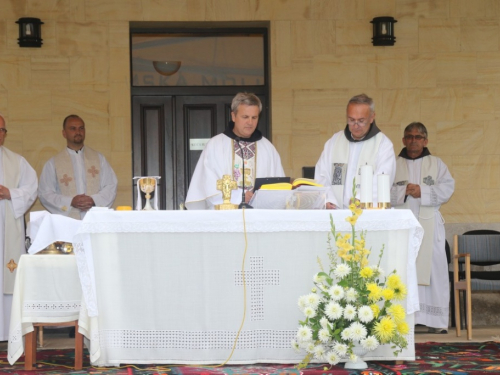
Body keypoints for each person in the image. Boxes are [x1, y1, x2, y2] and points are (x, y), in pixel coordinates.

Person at [391, 122, 455, 333]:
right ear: (403, 140)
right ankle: (403, 319)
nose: (413, 141)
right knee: (401, 268)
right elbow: (380, 190)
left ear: (425, 141)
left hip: (429, 226)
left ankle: (435, 321)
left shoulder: (436, 164)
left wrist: (423, 191)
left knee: (434, 268)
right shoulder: (392, 163)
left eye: (418, 137)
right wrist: (403, 193)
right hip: (400, 225)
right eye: (409, 137)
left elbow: (447, 188)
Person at [185, 92, 285, 210]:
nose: (250, 122)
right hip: (224, 219)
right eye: (245, 117)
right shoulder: (216, 145)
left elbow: (279, 187)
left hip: (260, 218)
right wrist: (240, 197)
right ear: (233, 116)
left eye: (254, 117)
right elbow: (208, 186)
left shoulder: (268, 148)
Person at [314, 93, 396, 208]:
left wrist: (362, 198)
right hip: (336, 212)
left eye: (361, 121)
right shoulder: (334, 142)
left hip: (365, 214)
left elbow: (383, 177)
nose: (356, 126)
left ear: (372, 117)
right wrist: (328, 199)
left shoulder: (383, 144)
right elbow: (322, 174)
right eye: (351, 120)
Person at [0, 114, 37, 340]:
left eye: (2, 130)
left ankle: (7, 334)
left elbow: (32, 189)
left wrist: (9, 193)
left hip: (8, 230)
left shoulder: (17, 161)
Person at [39, 115, 117, 219]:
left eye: (81, 128)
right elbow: (45, 193)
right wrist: (70, 202)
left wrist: (93, 200)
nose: (78, 132)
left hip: (94, 220)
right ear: (64, 133)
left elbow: (110, 185)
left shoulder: (98, 159)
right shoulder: (53, 163)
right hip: (67, 222)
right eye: (73, 128)